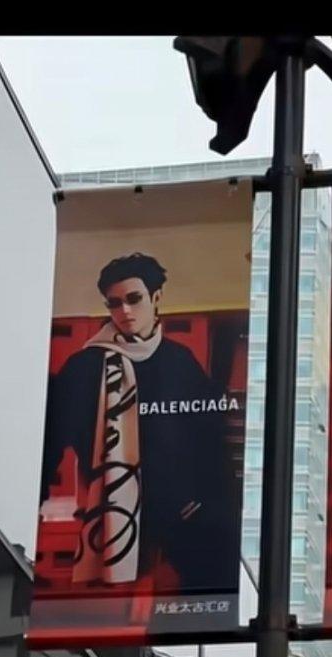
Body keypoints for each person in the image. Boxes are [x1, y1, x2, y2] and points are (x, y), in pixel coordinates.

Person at [40, 251, 242, 598]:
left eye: (134, 299)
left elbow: (209, 440)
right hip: (113, 515)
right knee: (108, 617)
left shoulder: (180, 362)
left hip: (182, 517)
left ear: (156, 298)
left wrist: (203, 501)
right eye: (114, 304)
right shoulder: (85, 366)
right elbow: (51, 442)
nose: (125, 312)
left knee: (208, 599)